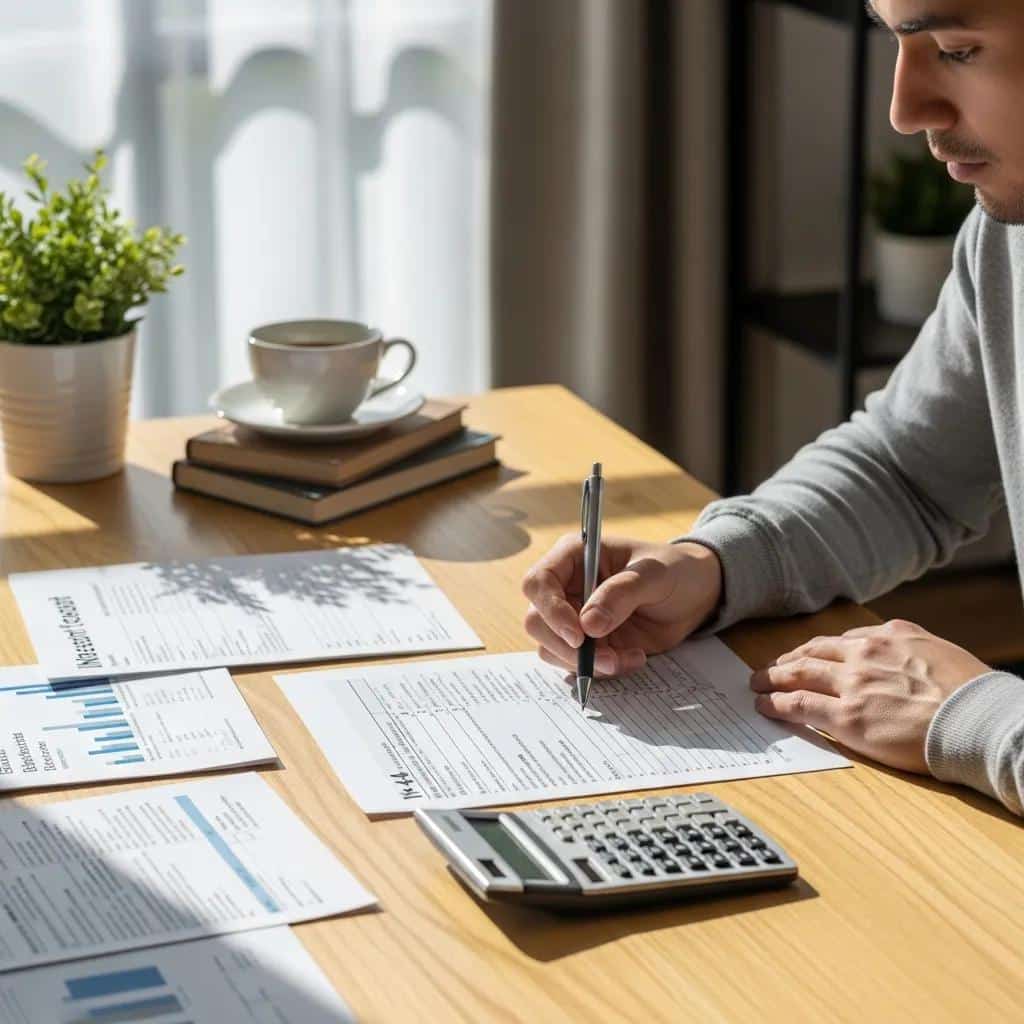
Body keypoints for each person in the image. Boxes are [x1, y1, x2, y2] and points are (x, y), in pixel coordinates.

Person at [522, 0, 1024, 816]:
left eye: (958, 49)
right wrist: (713, 567)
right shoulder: (1009, 240)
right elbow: (908, 473)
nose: (905, 109)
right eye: (899, 44)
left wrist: (983, 719)